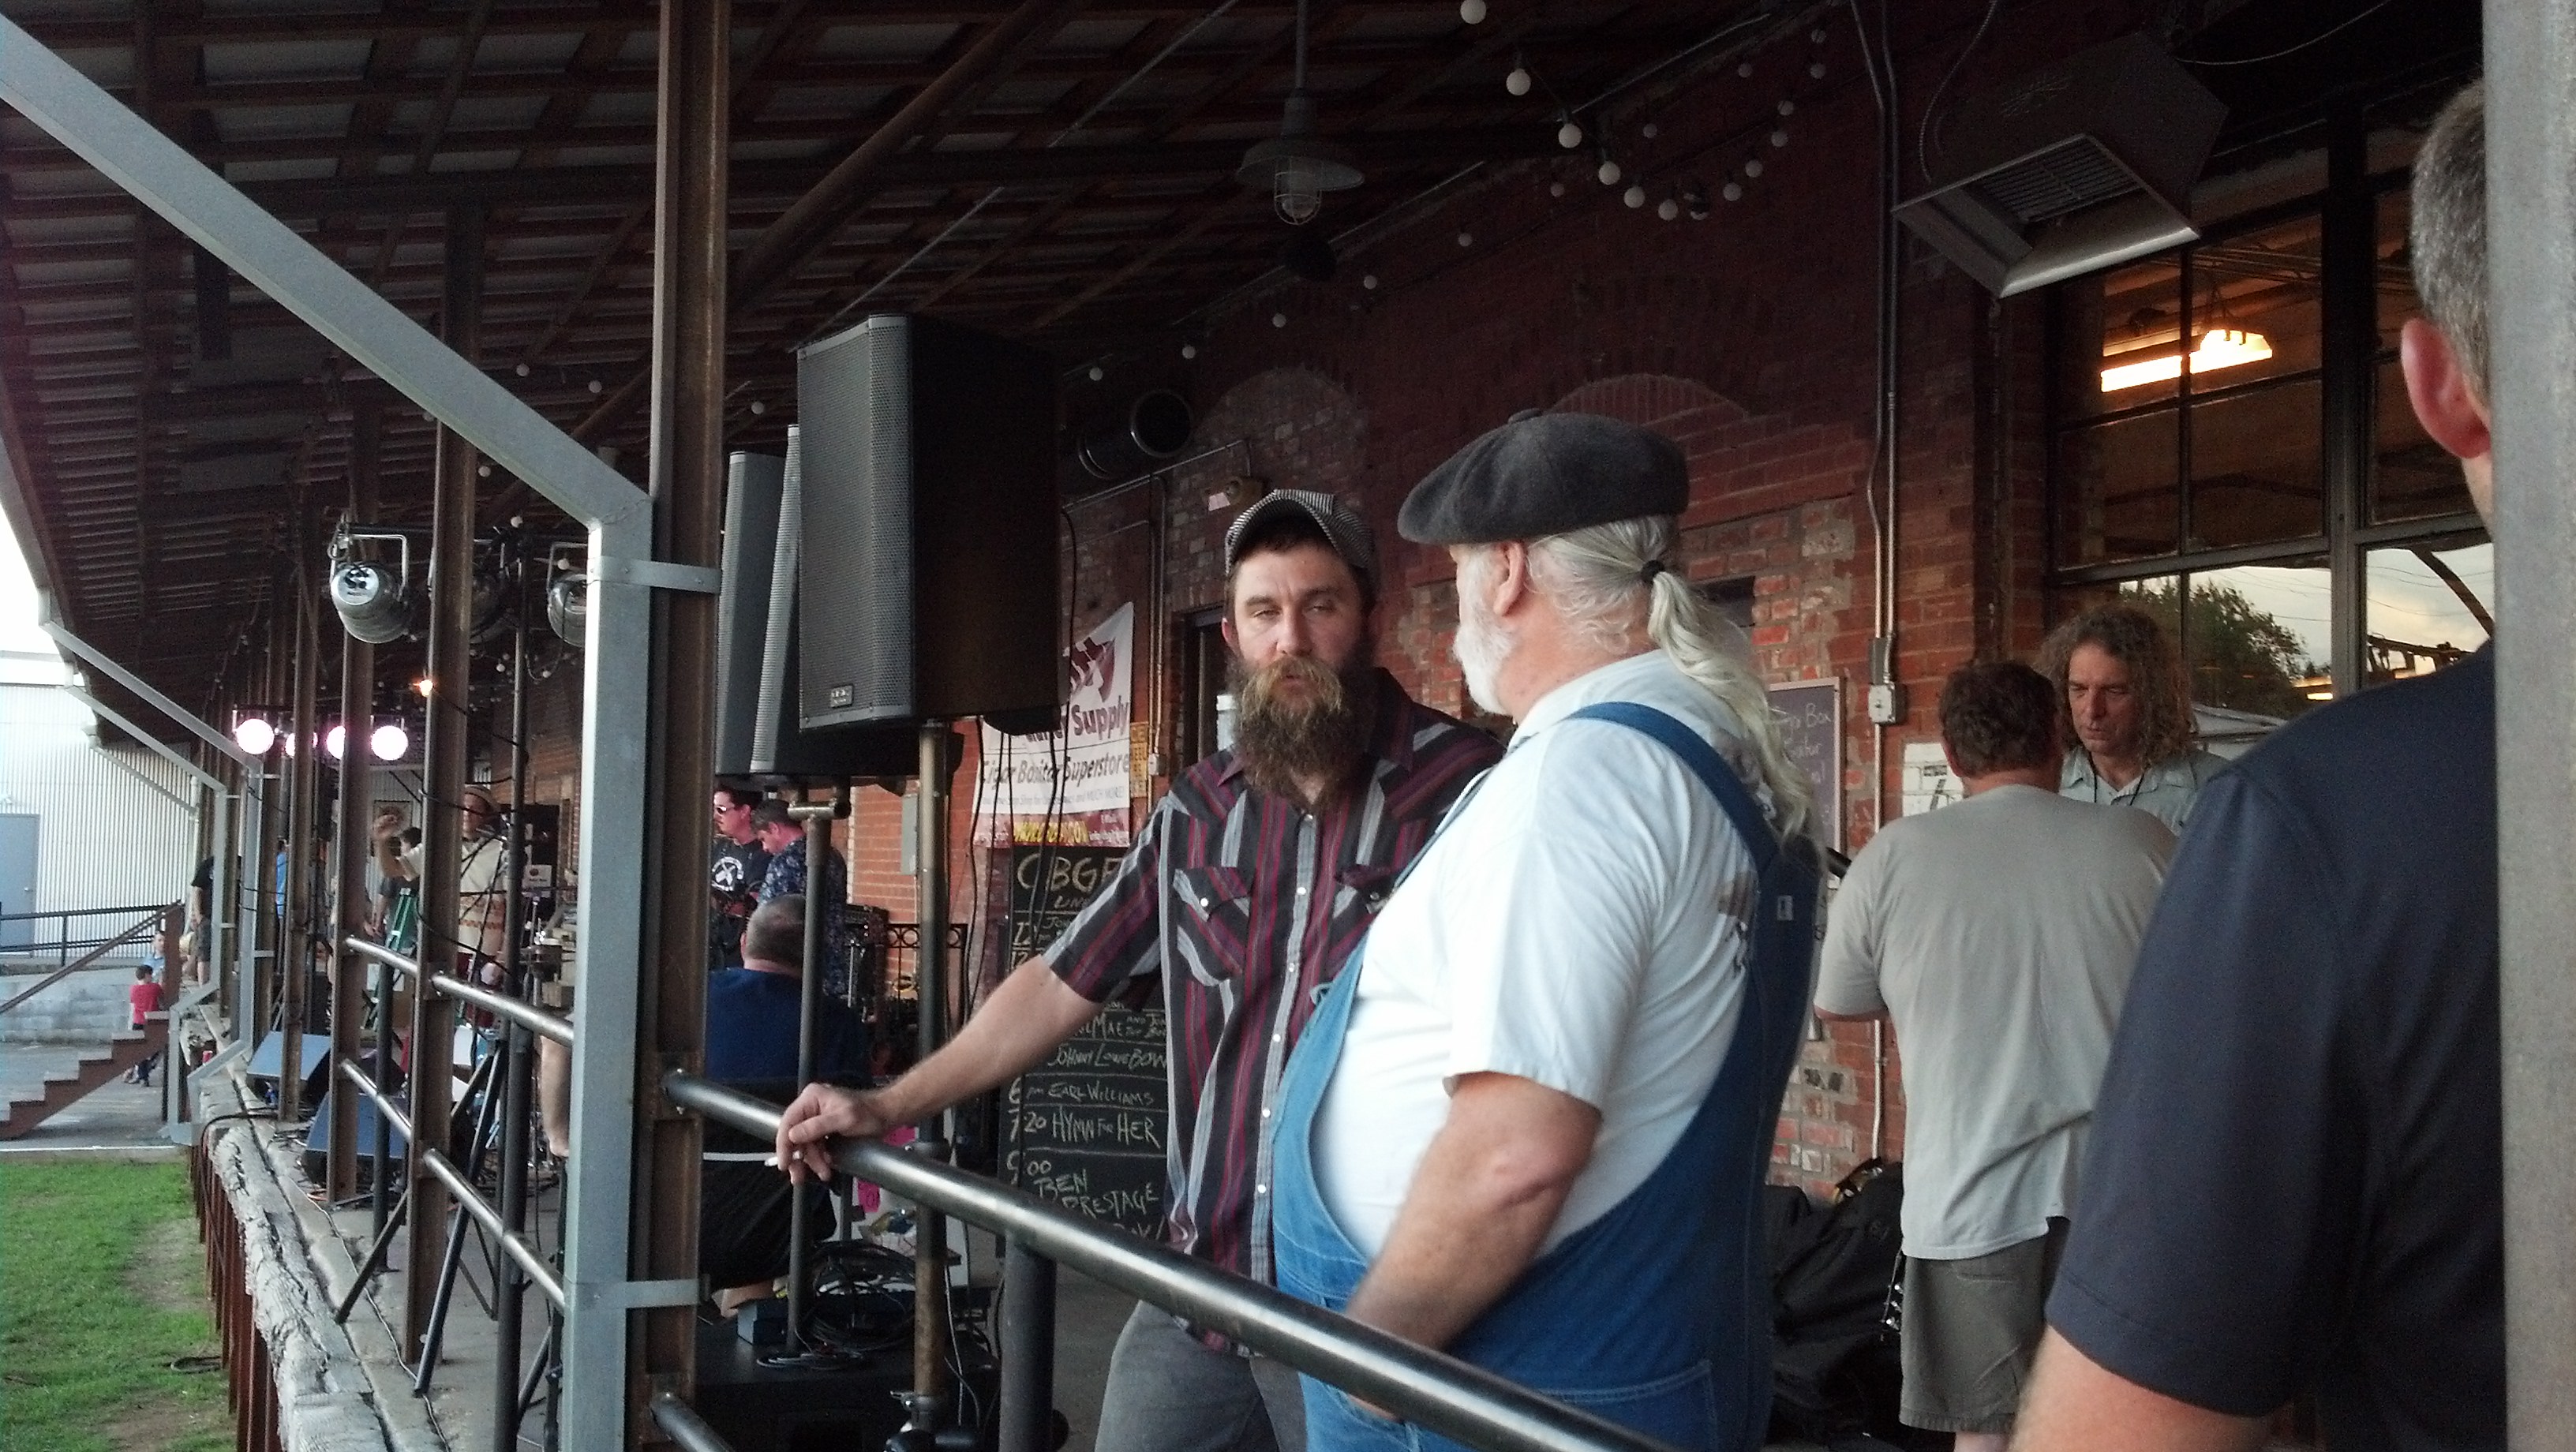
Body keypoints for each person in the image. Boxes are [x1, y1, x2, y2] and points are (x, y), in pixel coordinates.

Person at [775, 489, 1502, 1452]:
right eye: (1263, 611)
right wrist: (886, 1103)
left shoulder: (1469, 793)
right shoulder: (1201, 808)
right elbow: (1058, 979)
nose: (1291, 637)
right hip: (1196, 1291)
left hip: (1361, 1307)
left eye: (1319, 605)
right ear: (1236, 635)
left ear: (1371, 614)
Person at [2015, 78, 2503, 1452]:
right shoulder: (2158, 812)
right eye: (2080, 693)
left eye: (2115, 691)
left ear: (2435, 385)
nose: (2096, 714)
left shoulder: (2296, 826)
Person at [1272, 413, 1822, 1451]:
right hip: (1622, 1361)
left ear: (1510, 572)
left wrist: (1372, 1356)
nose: (1460, 600)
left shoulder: (1580, 781)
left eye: (1463, 569)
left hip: (1499, 1385)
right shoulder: (1708, 748)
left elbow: (1512, 1158)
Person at [1811, 661, 2173, 1452]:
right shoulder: (2143, 843)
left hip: (1968, 1197)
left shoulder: (1893, 858)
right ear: (2056, 736)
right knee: (2118, 1424)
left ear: (1950, 748)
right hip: (2115, 1197)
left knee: (1985, 1434)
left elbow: (1838, 998)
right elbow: (2201, 993)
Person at [2036, 603, 2226, 834]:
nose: (2092, 710)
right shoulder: (2042, 786)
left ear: (2152, 695)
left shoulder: (2215, 788)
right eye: (2079, 689)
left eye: (2114, 691)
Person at [707, 896, 869, 1083]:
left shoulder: (699, 995)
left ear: (743, 944)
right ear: (817, 954)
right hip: (789, 1113)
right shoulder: (839, 1023)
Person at [751, 799, 847, 999]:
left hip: (793, 969)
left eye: (763, 838)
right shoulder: (833, 855)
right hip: (832, 963)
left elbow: (772, 919)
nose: (765, 848)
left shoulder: (784, 863)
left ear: (774, 828)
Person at [709, 786, 770, 971]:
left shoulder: (764, 852)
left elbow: (757, 906)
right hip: (713, 945)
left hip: (740, 950)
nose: (715, 816)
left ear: (744, 811)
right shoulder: (717, 846)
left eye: (721, 810)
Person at [125, 964, 165, 1086]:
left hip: (137, 1022)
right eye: (151, 975)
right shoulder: (154, 988)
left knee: (139, 1051)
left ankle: (143, 1077)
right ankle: (148, 1067)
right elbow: (162, 998)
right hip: (152, 1022)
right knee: (158, 1047)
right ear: (147, 975)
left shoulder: (133, 989)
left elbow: (133, 1003)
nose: (152, 977)